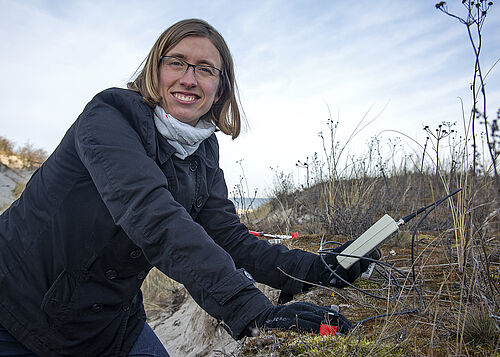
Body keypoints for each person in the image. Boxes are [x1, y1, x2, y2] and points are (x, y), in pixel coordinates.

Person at [0, 19, 374, 357]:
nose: (189, 78)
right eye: (176, 62)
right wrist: (251, 311)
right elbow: (152, 216)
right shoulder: (109, 116)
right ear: (155, 69)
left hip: (109, 325)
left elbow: (230, 239)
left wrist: (316, 269)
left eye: (206, 70)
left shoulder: (203, 151)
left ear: (220, 88)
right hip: (16, 311)